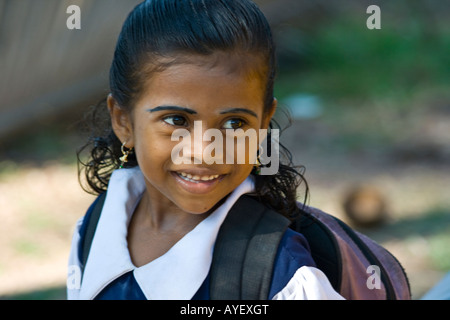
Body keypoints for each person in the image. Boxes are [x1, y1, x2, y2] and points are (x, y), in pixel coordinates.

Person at [67, 0, 344, 300]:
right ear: (124, 122)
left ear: (264, 123)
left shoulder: (278, 273)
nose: (205, 151)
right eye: (177, 120)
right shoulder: (95, 228)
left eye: (234, 123)